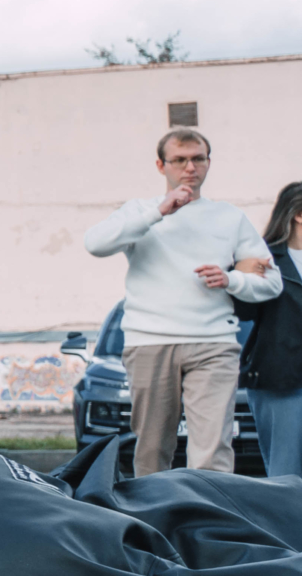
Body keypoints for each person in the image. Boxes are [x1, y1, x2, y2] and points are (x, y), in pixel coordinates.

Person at [85, 129, 281, 474]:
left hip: (214, 344)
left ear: (208, 162)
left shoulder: (229, 217)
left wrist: (231, 279)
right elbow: (95, 244)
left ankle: (208, 523)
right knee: (152, 446)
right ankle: (154, 522)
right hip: (150, 342)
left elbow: (272, 283)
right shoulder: (140, 212)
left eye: (198, 159)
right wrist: (158, 212)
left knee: (212, 449)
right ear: (161, 165)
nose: (190, 167)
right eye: (179, 160)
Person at [238, 182, 302, 477]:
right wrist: (243, 277)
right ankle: (287, 524)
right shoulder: (264, 259)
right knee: (286, 474)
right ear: (298, 214)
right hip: (282, 379)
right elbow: (245, 312)